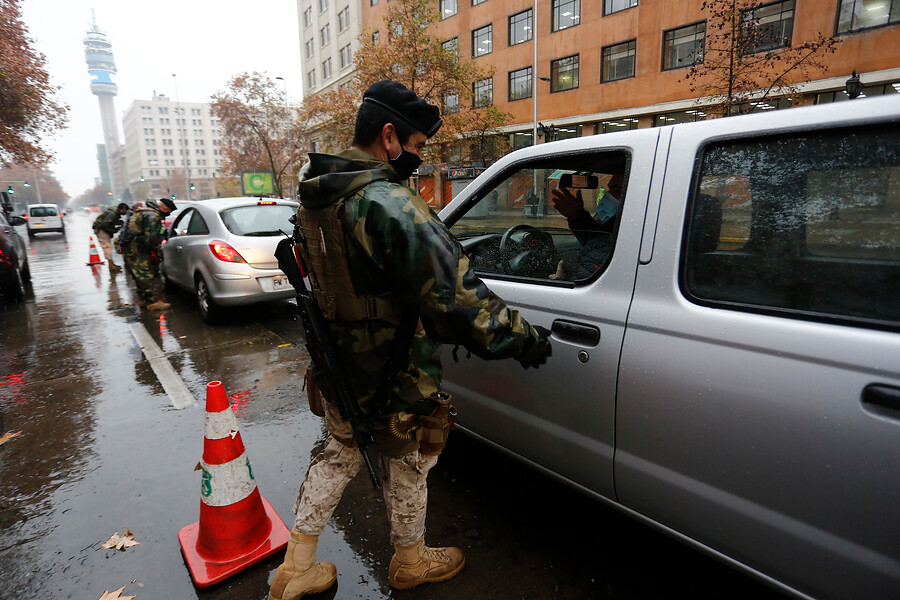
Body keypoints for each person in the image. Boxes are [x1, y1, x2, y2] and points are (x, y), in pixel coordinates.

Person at [269, 80, 552, 600]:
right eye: (418, 146)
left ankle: (296, 566)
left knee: (338, 451)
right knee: (409, 458)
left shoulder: (317, 195)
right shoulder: (387, 201)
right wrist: (522, 338)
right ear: (389, 136)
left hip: (339, 362)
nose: (419, 158)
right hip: (394, 365)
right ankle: (410, 559)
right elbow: (454, 293)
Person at [119, 197, 174, 311]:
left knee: (138, 275)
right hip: (137, 248)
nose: (168, 214)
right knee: (145, 274)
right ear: (165, 208)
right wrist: (158, 251)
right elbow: (151, 239)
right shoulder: (153, 216)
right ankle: (152, 302)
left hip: (130, 246)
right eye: (169, 211)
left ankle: (143, 299)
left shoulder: (143, 211)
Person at [92, 202, 129, 272]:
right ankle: (111, 265)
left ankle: (111, 264)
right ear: (122, 209)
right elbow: (106, 224)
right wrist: (114, 230)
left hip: (102, 229)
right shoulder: (113, 214)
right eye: (125, 210)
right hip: (101, 230)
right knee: (107, 246)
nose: (125, 212)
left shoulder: (115, 213)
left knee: (108, 246)